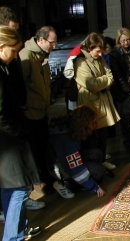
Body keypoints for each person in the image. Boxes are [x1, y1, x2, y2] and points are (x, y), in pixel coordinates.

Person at [0, 25, 41, 241]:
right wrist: (18, 130)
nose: (16, 56)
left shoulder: (3, 66)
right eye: (13, 51)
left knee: (10, 187)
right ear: (1, 46)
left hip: (8, 140)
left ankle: (20, 230)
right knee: (20, 189)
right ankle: (12, 238)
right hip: (8, 141)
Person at [73, 32, 120, 170]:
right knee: (92, 136)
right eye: (98, 51)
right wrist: (104, 80)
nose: (100, 54)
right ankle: (94, 165)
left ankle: (102, 158)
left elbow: (110, 76)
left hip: (103, 103)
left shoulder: (100, 59)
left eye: (102, 51)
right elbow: (92, 85)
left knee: (103, 135)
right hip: (90, 105)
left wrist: (103, 80)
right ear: (89, 48)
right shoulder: (81, 62)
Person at [19, 26, 57, 196]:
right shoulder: (26, 56)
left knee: (43, 149)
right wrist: (25, 106)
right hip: (31, 113)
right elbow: (19, 86)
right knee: (35, 150)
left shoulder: (42, 56)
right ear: (40, 40)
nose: (54, 46)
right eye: (52, 42)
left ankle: (46, 178)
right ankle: (38, 185)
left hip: (42, 110)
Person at [48, 105, 107, 198]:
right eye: (92, 122)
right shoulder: (66, 140)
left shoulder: (70, 125)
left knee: (97, 154)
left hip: (69, 159)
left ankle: (84, 178)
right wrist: (94, 187)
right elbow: (74, 168)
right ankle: (68, 184)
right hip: (61, 167)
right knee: (100, 171)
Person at [109, 28, 130, 113]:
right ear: (119, 41)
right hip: (119, 87)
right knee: (122, 110)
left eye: (128, 40)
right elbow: (117, 74)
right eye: (123, 41)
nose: (126, 43)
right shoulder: (115, 53)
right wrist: (126, 88)